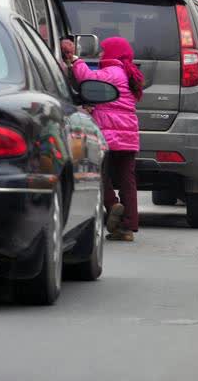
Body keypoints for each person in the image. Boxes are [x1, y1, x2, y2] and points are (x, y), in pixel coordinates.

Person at [62, 37, 143, 242]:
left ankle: (112, 203)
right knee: (127, 180)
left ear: (114, 53)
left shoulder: (113, 72)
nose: (100, 55)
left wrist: (76, 61)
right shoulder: (129, 74)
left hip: (109, 134)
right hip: (128, 136)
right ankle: (127, 226)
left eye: (103, 51)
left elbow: (87, 78)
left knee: (100, 174)